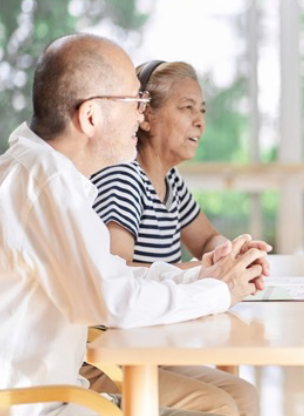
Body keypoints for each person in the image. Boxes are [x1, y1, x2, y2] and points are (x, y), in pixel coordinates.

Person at [0, 33, 269, 416]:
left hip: (60, 393)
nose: (140, 114)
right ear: (91, 116)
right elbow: (114, 303)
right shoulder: (47, 186)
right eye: (135, 100)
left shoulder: (50, 176)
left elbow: (113, 277)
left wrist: (203, 275)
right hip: (33, 406)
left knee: (241, 398)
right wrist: (218, 291)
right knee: (220, 409)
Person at [82, 60, 267, 416]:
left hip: (147, 339)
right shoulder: (124, 178)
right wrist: (207, 274)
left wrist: (230, 255)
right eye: (186, 109)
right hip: (112, 347)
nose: (200, 121)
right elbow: (117, 269)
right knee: (223, 406)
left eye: (202, 110)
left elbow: (207, 238)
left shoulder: (170, 181)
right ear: (145, 116)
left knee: (244, 396)